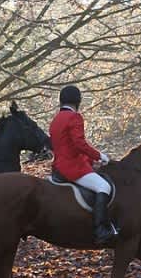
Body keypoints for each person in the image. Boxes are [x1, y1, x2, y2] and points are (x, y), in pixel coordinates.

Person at [49, 85, 118, 244]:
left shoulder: (56, 119)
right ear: (77, 101)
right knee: (104, 187)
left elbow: (68, 147)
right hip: (72, 168)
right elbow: (79, 144)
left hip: (58, 167)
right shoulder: (75, 117)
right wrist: (100, 156)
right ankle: (101, 229)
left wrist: (91, 162)